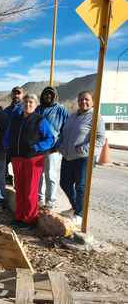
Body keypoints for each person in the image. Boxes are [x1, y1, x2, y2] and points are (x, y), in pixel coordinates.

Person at [4, 94, 54, 228]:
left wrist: (38, 147)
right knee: (19, 188)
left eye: (31, 102)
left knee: (30, 189)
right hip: (17, 158)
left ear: (36, 104)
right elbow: (8, 135)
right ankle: (20, 216)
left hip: (33, 158)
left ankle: (30, 219)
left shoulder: (40, 120)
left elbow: (50, 138)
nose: (28, 104)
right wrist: (7, 145)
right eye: (26, 102)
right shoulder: (16, 119)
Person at [58, 91, 105, 226]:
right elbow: (64, 133)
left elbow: (100, 139)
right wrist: (60, 146)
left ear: (92, 102)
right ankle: (76, 207)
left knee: (80, 186)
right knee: (64, 183)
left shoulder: (96, 117)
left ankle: (79, 214)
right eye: (80, 100)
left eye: (86, 99)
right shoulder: (72, 116)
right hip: (68, 156)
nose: (83, 102)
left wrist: (84, 149)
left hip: (84, 158)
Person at [36, 87, 69, 210]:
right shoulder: (38, 109)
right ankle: (40, 198)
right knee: (39, 175)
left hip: (53, 149)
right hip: (39, 148)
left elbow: (66, 129)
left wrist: (59, 145)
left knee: (50, 175)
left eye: (50, 94)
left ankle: (51, 201)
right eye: (45, 94)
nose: (48, 96)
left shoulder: (61, 110)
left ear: (55, 96)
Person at [3, 86, 25, 185]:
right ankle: (7, 180)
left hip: (20, 144)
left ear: (22, 95)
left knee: (19, 169)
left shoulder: (25, 108)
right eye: (14, 93)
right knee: (4, 164)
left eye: (18, 93)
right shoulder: (7, 110)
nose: (16, 95)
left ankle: (19, 188)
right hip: (8, 143)